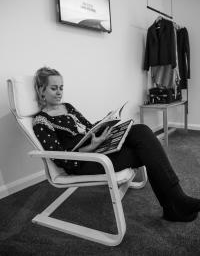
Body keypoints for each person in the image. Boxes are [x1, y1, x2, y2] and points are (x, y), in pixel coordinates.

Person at [33, 66, 200, 222]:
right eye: (53, 88)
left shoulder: (67, 107)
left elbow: (88, 127)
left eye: (61, 87)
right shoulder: (41, 121)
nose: (59, 92)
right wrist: (90, 148)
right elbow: (60, 158)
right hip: (84, 161)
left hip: (98, 147)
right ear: (41, 90)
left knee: (141, 130)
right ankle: (175, 203)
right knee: (147, 151)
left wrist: (106, 122)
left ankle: (174, 204)